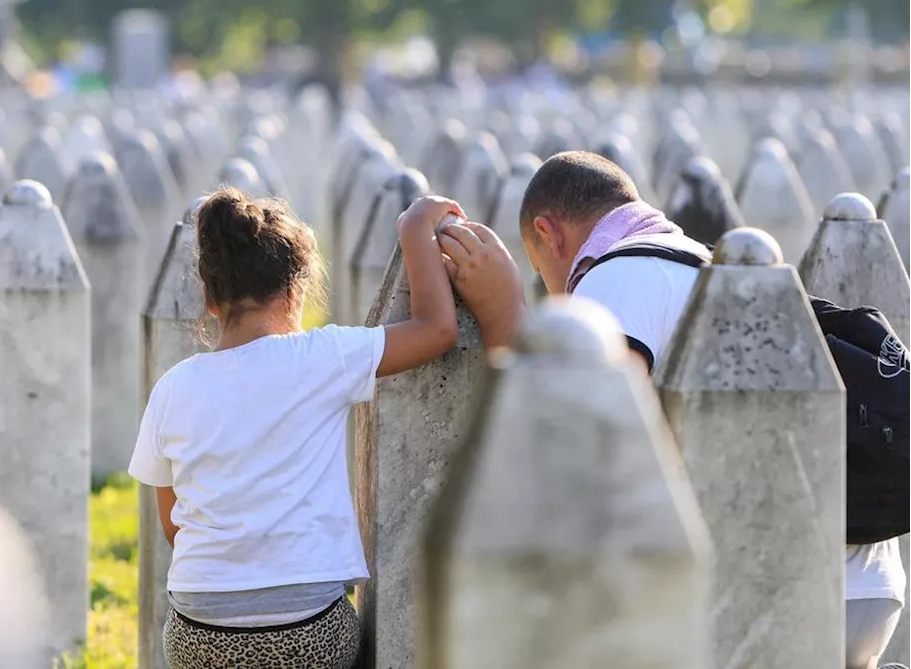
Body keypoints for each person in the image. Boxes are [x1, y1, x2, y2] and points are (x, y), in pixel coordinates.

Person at [440, 149, 907, 669]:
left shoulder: (616, 278)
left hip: (773, 591)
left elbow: (576, 445)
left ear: (549, 235)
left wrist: (503, 311)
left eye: (538, 270)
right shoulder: (691, 258)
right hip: (864, 583)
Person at [129, 188, 462, 668]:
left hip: (197, 630)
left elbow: (172, 523)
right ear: (296, 291)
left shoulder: (173, 387)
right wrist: (414, 230)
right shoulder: (319, 358)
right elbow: (437, 330)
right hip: (305, 628)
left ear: (209, 297)